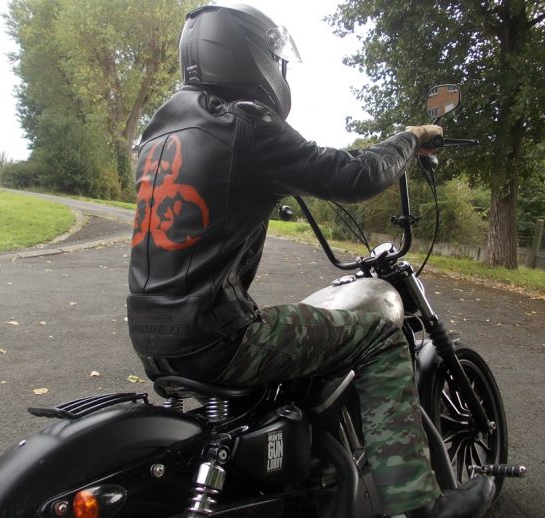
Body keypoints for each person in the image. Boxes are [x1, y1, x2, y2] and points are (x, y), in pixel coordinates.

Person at [127, 4, 494, 517]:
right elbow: (356, 176)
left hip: (152, 336)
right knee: (378, 335)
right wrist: (410, 137)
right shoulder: (245, 124)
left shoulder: (160, 134)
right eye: (277, 61)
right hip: (217, 338)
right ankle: (417, 506)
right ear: (253, 58)